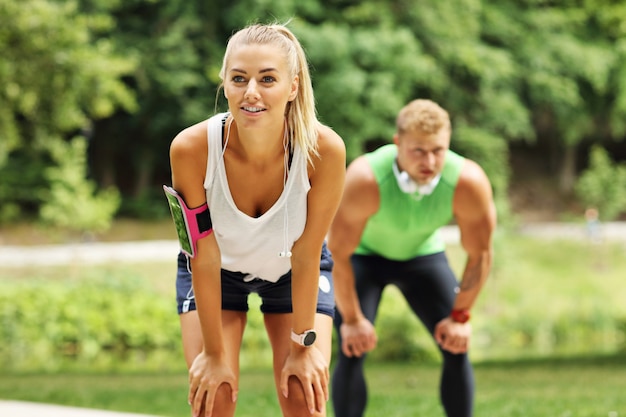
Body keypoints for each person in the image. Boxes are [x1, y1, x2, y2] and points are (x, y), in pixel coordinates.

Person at [167, 23, 346, 417]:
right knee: (214, 398)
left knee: (305, 395)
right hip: (216, 272)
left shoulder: (324, 150)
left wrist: (302, 349)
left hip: (292, 272)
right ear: (225, 84)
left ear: (293, 86)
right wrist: (214, 355)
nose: (251, 92)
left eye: (267, 79)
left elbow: (307, 252)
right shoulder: (191, 149)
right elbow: (203, 255)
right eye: (239, 79)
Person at [328, 99, 496, 417]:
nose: (429, 161)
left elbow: (480, 254)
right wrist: (351, 320)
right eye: (418, 150)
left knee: (456, 346)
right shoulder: (365, 178)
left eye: (438, 150)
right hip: (363, 259)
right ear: (397, 144)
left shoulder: (467, 182)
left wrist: (460, 318)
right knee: (352, 348)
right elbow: (338, 253)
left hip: (423, 256)